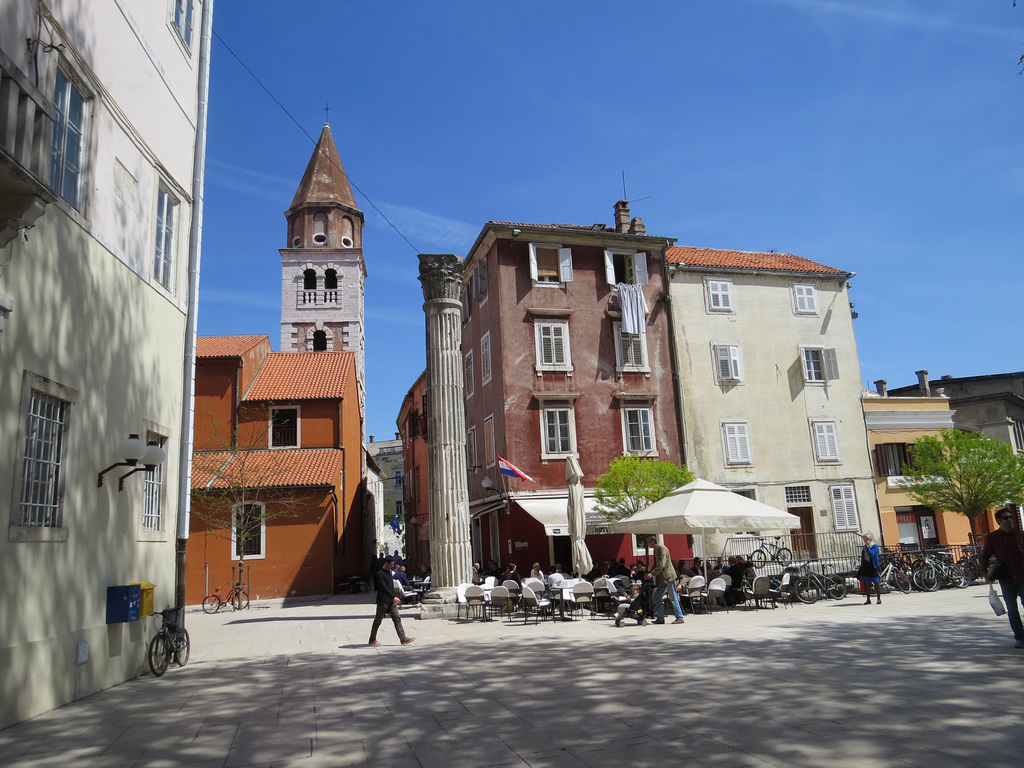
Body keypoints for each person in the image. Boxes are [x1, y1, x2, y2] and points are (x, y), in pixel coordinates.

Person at [982, 508, 1024, 649]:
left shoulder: (1020, 534)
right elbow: (985, 555)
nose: (1009, 520)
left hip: (1023, 576)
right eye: (1006, 518)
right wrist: (985, 572)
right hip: (1006, 579)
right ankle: (1019, 638)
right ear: (999, 520)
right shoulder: (993, 538)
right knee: (1012, 609)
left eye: (1010, 517)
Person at [369, 556, 414, 647]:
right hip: (383, 601)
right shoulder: (380, 574)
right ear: (386, 563)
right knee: (378, 620)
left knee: (397, 618)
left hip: (391, 602)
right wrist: (393, 597)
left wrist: (394, 596)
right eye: (391, 564)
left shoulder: (389, 572)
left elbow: (390, 587)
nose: (392, 566)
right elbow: (383, 588)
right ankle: (372, 639)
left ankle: (403, 638)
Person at [648, 536, 684, 624]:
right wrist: (650, 571)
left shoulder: (662, 549)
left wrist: (652, 573)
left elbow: (661, 564)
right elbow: (656, 564)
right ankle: (660, 618)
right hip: (661, 578)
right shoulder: (655, 550)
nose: (647, 544)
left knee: (673, 596)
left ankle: (679, 617)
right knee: (657, 596)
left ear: (653, 541)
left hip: (668, 576)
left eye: (648, 542)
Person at [858, 532, 882, 605]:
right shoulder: (864, 547)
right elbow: (863, 557)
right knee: (867, 583)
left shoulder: (874, 546)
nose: (865, 541)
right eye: (864, 539)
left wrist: (868, 547)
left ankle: (878, 598)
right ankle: (868, 599)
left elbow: (872, 554)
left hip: (873, 566)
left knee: (876, 583)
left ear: (869, 539)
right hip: (866, 566)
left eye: (866, 539)